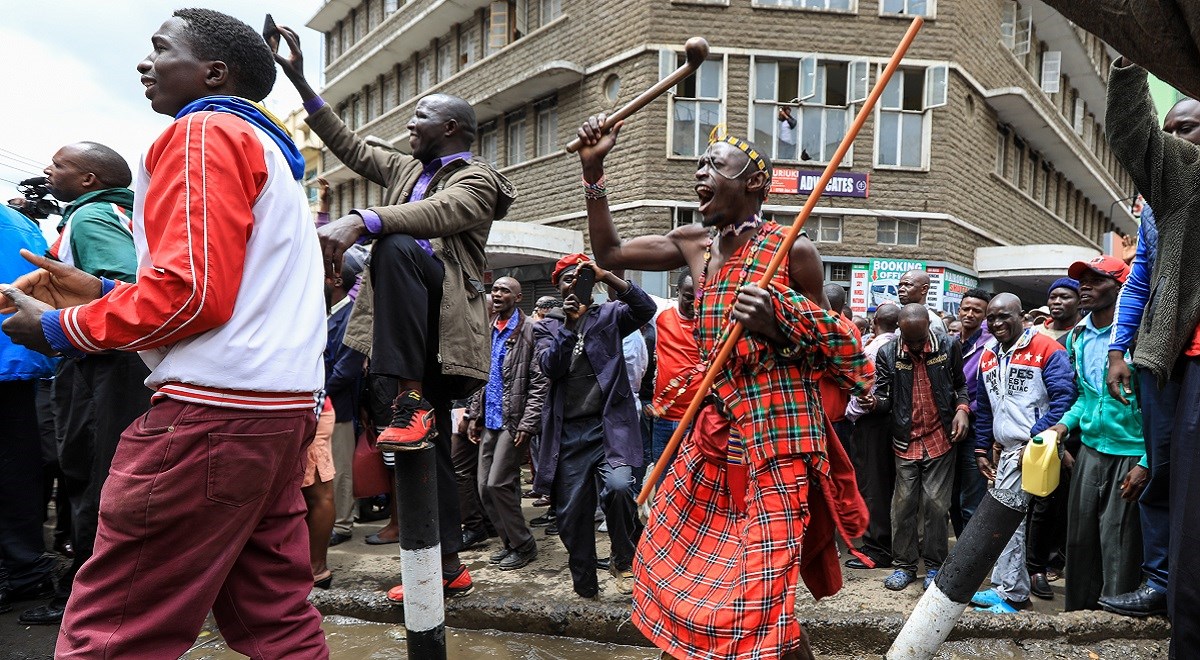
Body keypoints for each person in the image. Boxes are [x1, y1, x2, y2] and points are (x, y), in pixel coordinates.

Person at [0, 9, 329, 657]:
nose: (144, 64)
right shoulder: (267, 152)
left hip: (210, 416)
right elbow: (222, 293)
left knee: (113, 632)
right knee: (276, 620)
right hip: (277, 413)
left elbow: (192, 297)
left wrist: (61, 327)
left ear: (213, 72)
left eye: (160, 49)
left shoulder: (202, 133)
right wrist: (102, 295)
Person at [575, 117, 871, 659]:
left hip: (776, 444)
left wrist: (780, 318)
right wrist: (594, 173)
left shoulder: (793, 250)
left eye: (715, 165)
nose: (699, 173)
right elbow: (611, 255)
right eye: (699, 164)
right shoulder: (696, 244)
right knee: (680, 572)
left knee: (760, 595)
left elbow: (843, 348)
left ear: (754, 184)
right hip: (711, 437)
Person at [274, 24, 516, 603]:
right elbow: (350, 144)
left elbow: (439, 214)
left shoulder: (480, 179)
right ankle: (444, 568)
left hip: (443, 326)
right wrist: (301, 80)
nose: (409, 125)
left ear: (450, 128)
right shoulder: (404, 168)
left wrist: (364, 219)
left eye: (420, 117)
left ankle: (411, 399)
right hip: (399, 336)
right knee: (419, 452)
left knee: (397, 242)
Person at [19, 142, 151, 626]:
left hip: (105, 364)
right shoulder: (119, 212)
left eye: (59, 165)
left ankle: (89, 596)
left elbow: (123, 286)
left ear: (89, 179)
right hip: (116, 363)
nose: (48, 171)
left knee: (92, 474)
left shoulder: (92, 218)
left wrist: (55, 322)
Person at [1100, 97, 1200, 619]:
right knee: (1160, 471)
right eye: (1167, 130)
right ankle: (1161, 581)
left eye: (1186, 129)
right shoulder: (1156, 205)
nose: (1173, 139)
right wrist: (1120, 349)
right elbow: (1139, 280)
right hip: (1162, 358)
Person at [534, 255, 654, 597]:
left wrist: (609, 277)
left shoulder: (611, 316)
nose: (574, 283)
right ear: (557, 286)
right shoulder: (547, 325)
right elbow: (550, 367)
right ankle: (586, 586)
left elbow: (644, 308)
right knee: (572, 517)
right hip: (568, 436)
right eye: (567, 279)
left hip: (609, 431)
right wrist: (570, 327)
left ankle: (623, 558)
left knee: (618, 488)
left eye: (581, 277)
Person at [1042, 256, 1148, 612]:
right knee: (1081, 540)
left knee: (1118, 542)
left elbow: (1160, 407)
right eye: (1082, 280)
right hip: (1090, 450)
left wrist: (1147, 461)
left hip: (1130, 453)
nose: (1084, 286)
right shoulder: (1078, 337)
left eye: (1096, 280)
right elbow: (1084, 399)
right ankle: (1079, 617)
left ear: (1121, 289)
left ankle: (1116, 618)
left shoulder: (1139, 335)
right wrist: (1062, 426)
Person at [971, 293, 1075, 613]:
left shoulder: (1047, 349)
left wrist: (1036, 436)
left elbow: (1065, 397)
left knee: (1011, 522)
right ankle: (1006, 588)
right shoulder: (988, 354)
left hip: (1033, 449)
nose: (997, 323)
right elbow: (985, 406)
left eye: (1005, 316)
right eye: (992, 318)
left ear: (1022, 316)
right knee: (1008, 522)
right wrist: (981, 446)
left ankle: (1013, 595)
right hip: (1006, 450)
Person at [866, 304, 969, 592]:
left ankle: (935, 565)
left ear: (928, 328)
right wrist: (874, 403)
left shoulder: (948, 346)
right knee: (903, 506)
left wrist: (962, 409)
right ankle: (905, 566)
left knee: (936, 506)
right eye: (908, 341)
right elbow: (885, 396)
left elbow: (961, 386)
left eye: (918, 340)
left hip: (940, 437)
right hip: (905, 439)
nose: (913, 347)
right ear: (899, 330)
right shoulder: (888, 353)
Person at [467, 276, 547, 571]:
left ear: (518, 296)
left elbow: (540, 382)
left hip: (513, 421)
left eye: (504, 290)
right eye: (495, 289)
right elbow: (481, 377)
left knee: (498, 482)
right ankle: (510, 543)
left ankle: (525, 545)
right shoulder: (489, 331)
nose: (497, 294)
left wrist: (528, 423)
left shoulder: (530, 331)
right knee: (484, 487)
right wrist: (474, 415)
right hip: (490, 418)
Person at [0, 204, 57, 617]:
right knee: (16, 465)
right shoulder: (19, 221)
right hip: (20, 354)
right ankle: (25, 566)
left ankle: (17, 569)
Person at [845, 302, 900, 570]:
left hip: (872, 422)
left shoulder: (873, 350)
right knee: (884, 484)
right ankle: (883, 543)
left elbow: (862, 391)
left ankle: (877, 548)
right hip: (889, 421)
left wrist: (852, 414)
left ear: (875, 320)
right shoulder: (898, 345)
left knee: (873, 486)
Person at [326, 247, 368, 547]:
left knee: (340, 467)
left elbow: (346, 369)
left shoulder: (351, 316)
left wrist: (318, 393)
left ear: (336, 278)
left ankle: (342, 523)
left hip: (337, 407)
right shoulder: (325, 312)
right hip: (322, 406)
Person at [644, 272, 701, 488]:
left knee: (691, 484)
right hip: (663, 421)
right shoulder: (662, 311)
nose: (694, 303)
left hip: (696, 422)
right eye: (688, 296)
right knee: (662, 483)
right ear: (677, 292)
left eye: (698, 296)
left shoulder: (710, 320)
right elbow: (625, 294)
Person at [949, 288, 991, 540]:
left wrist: (965, 408)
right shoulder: (950, 342)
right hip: (948, 428)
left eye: (977, 310)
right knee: (952, 497)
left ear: (985, 315)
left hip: (976, 428)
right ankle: (960, 554)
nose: (970, 314)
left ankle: (971, 558)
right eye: (966, 308)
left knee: (971, 498)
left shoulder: (990, 345)